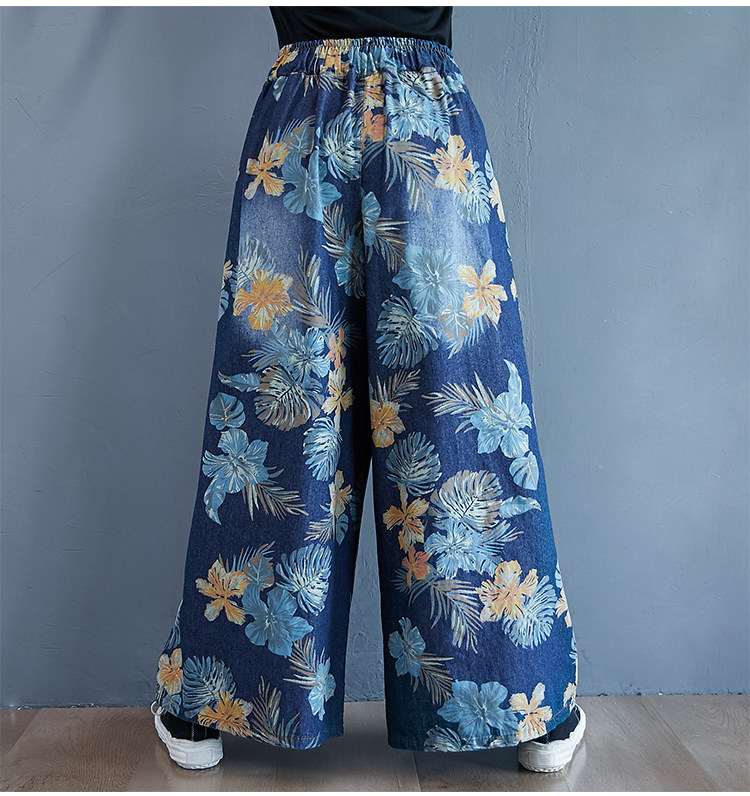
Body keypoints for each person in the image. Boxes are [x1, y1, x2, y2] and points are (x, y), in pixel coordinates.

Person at [151, 5, 586, 774]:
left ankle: (212, 698)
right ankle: (530, 704)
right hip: (427, 110)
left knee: (282, 406)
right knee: (461, 402)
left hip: (301, 110)